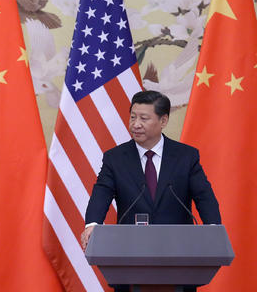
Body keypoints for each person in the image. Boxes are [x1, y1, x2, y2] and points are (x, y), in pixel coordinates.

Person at [81, 90, 220, 292]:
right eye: (133, 117)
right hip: (130, 257)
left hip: (178, 256)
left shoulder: (186, 156)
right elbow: (101, 193)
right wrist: (93, 224)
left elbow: (204, 196)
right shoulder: (115, 158)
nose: (135, 124)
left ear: (163, 120)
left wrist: (213, 229)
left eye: (144, 118)